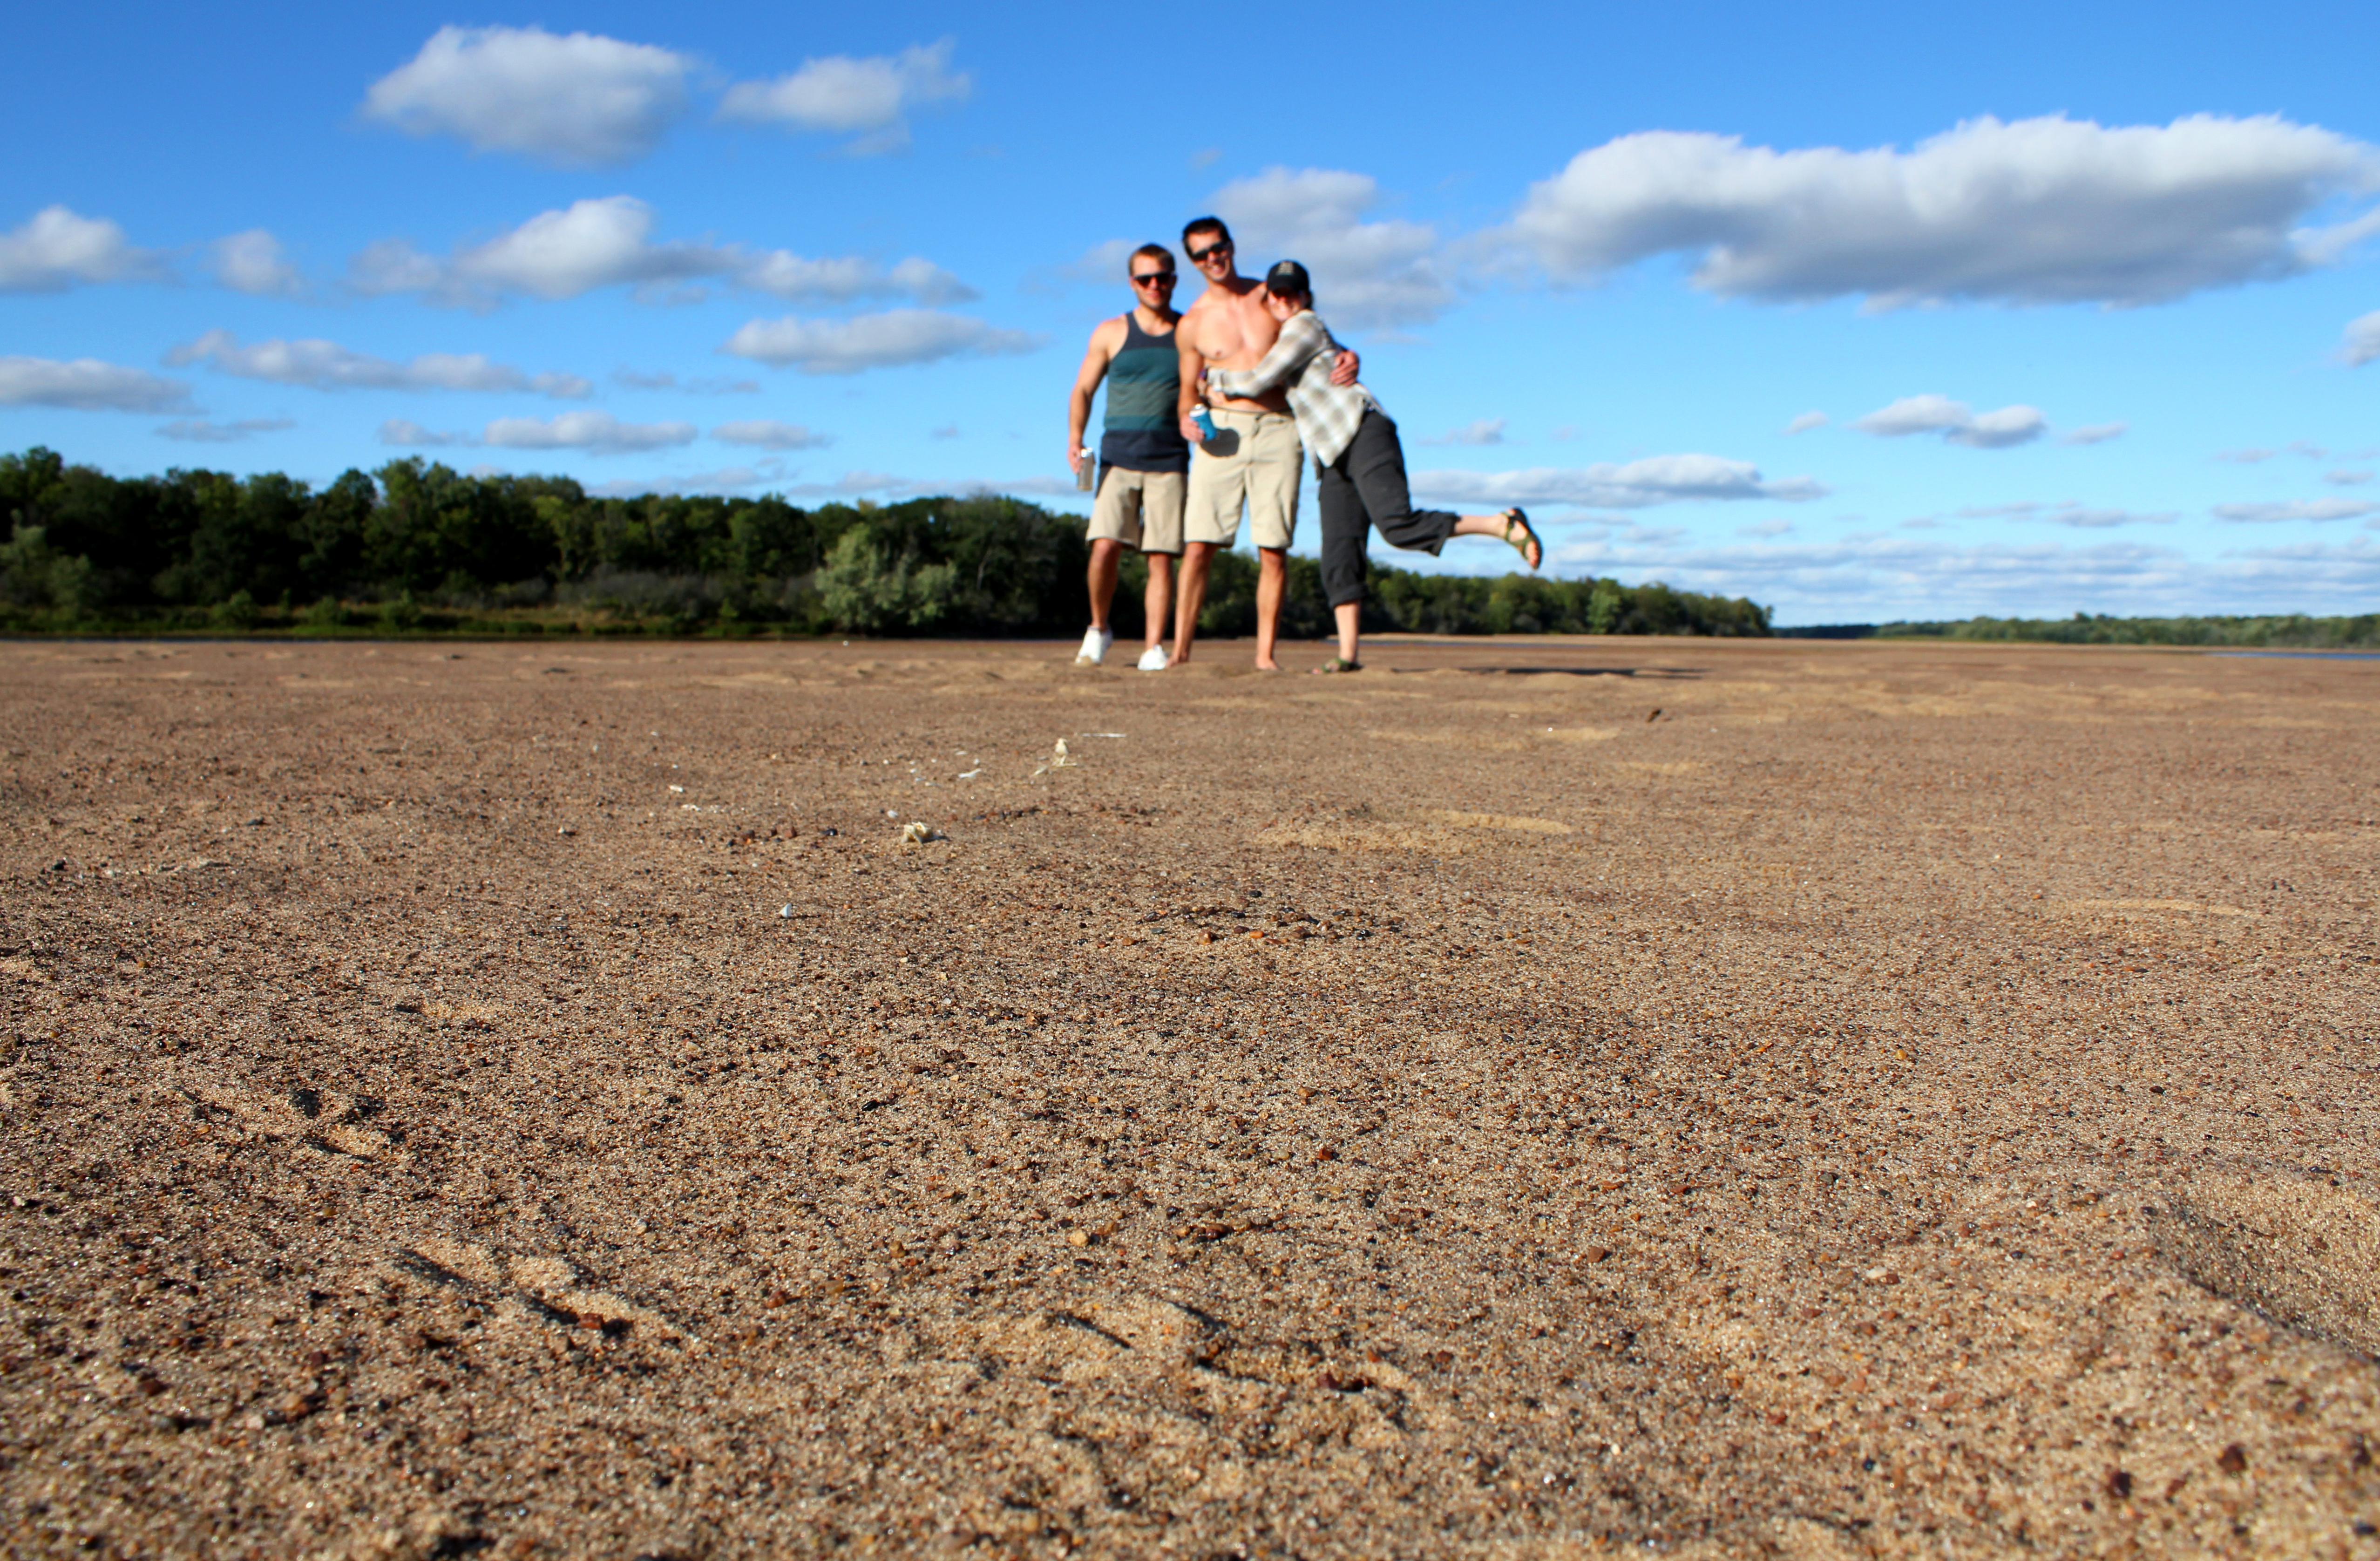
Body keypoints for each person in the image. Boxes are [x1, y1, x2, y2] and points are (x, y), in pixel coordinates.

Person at [1207, 260, 1540, 673]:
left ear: (1306, 297)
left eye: (1292, 292)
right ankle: (1348, 656)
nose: (1284, 299)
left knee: (1397, 525)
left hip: (1362, 430)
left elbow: (1261, 379)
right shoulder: (1301, 332)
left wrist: (1212, 381)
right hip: (1331, 454)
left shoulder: (1304, 324)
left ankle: (1500, 523)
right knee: (1339, 552)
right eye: (1277, 293)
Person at [1169, 217, 1358, 671]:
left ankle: (1264, 655)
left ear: (1230, 246)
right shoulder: (1192, 322)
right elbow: (1186, 391)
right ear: (1191, 262)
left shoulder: (1268, 295)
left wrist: (1349, 354)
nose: (1211, 258)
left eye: (1217, 248)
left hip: (1279, 428)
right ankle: (1179, 651)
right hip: (1221, 433)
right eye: (1200, 254)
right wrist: (1184, 420)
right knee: (1198, 545)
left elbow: (1316, 338)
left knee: (1273, 549)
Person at [1067, 244, 1187, 669]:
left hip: (1170, 458)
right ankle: (1098, 629)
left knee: (1161, 556)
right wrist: (1074, 439)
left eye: (1163, 277)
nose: (1155, 286)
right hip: (1118, 456)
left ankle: (1153, 646)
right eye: (1145, 279)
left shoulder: (1190, 330)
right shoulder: (1110, 331)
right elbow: (1083, 389)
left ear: (1174, 279)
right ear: (1132, 283)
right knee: (1103, 547)